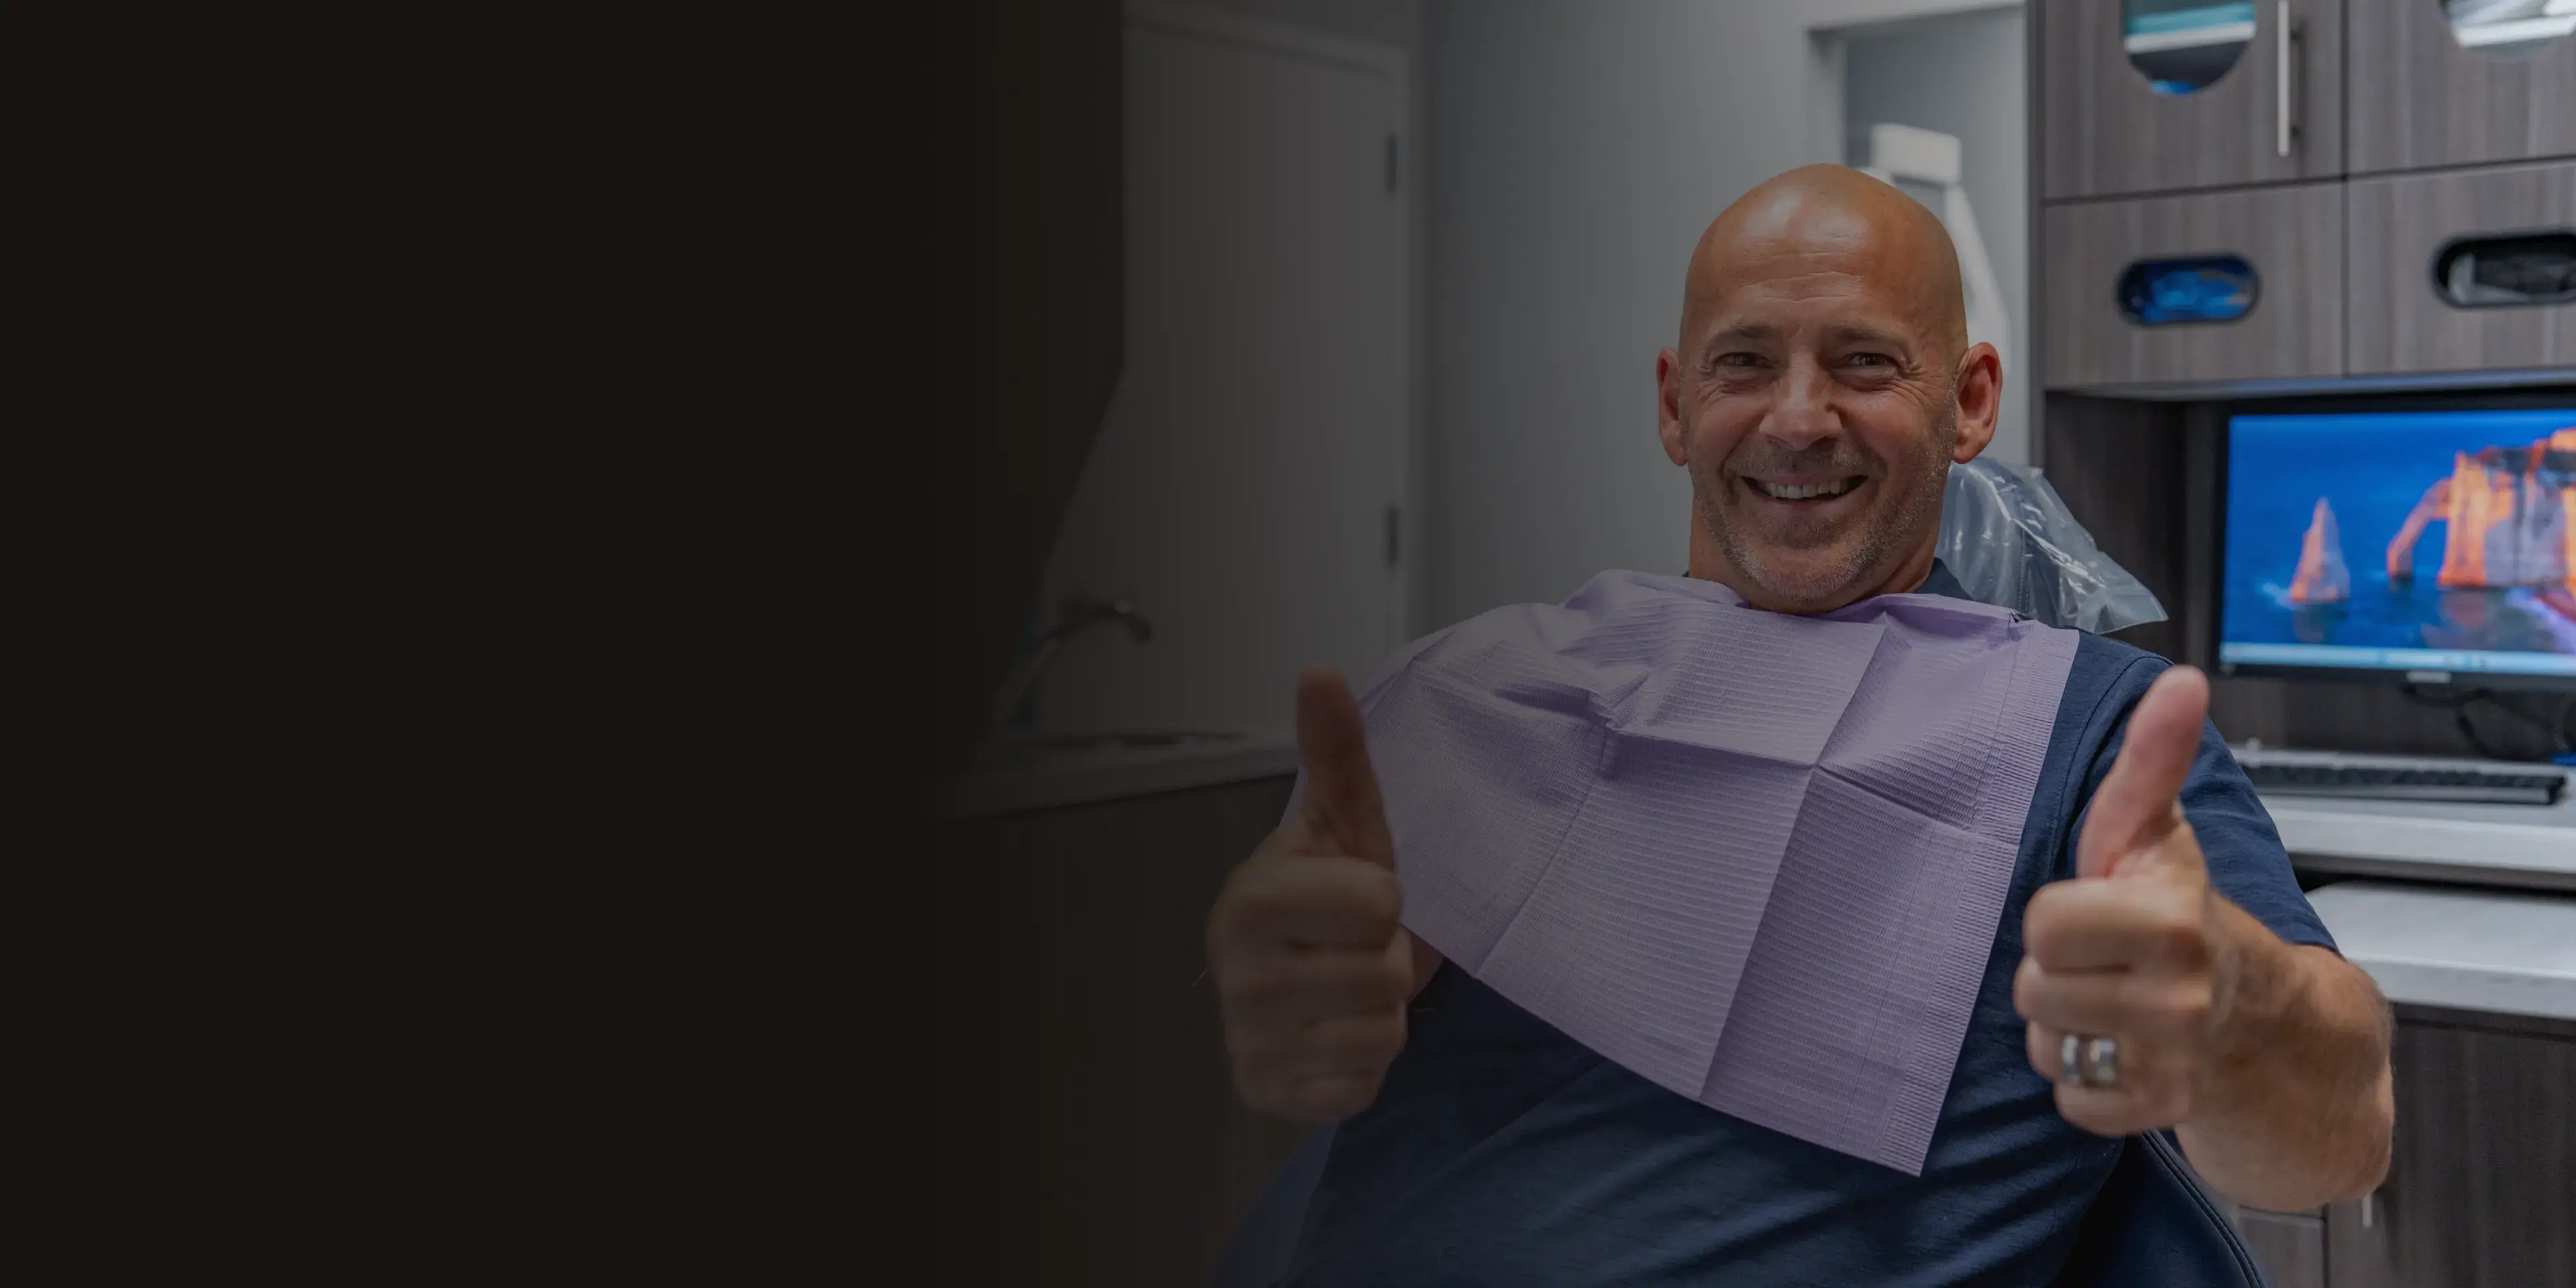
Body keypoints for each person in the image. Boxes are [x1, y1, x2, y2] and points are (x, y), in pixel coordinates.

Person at [1204, 165, 2394, 1285]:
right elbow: (1321, 973)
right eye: (1745, 364)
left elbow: (2339, 1138)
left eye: (1866, 363)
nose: (1799, 419)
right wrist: (1298, 977)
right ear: (1676, 406)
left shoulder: (2091, 740)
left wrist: (2234, 1006)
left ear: (1969, 402)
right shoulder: (1478, 689)